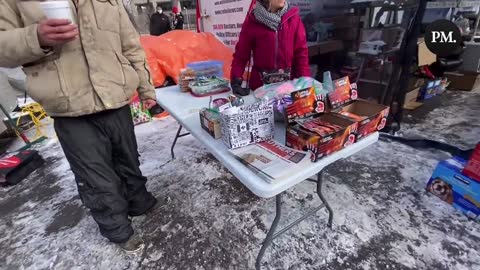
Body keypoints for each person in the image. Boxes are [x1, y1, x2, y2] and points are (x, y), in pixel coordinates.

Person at [0, 0, 167, 254]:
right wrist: (35, 37)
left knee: (128, 160)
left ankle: (139, 202)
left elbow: (130, 46)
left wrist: (146, 89)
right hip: (70, 108)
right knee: (96, 177)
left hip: (116, 98)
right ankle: (118, 230)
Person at [231, 0, 310, 96]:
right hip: (260, 90)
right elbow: (241, 56)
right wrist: (236, 79)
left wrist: (305, 81)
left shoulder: (293, 19)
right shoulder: (252, 22)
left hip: (288, 89)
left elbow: (301, 54)